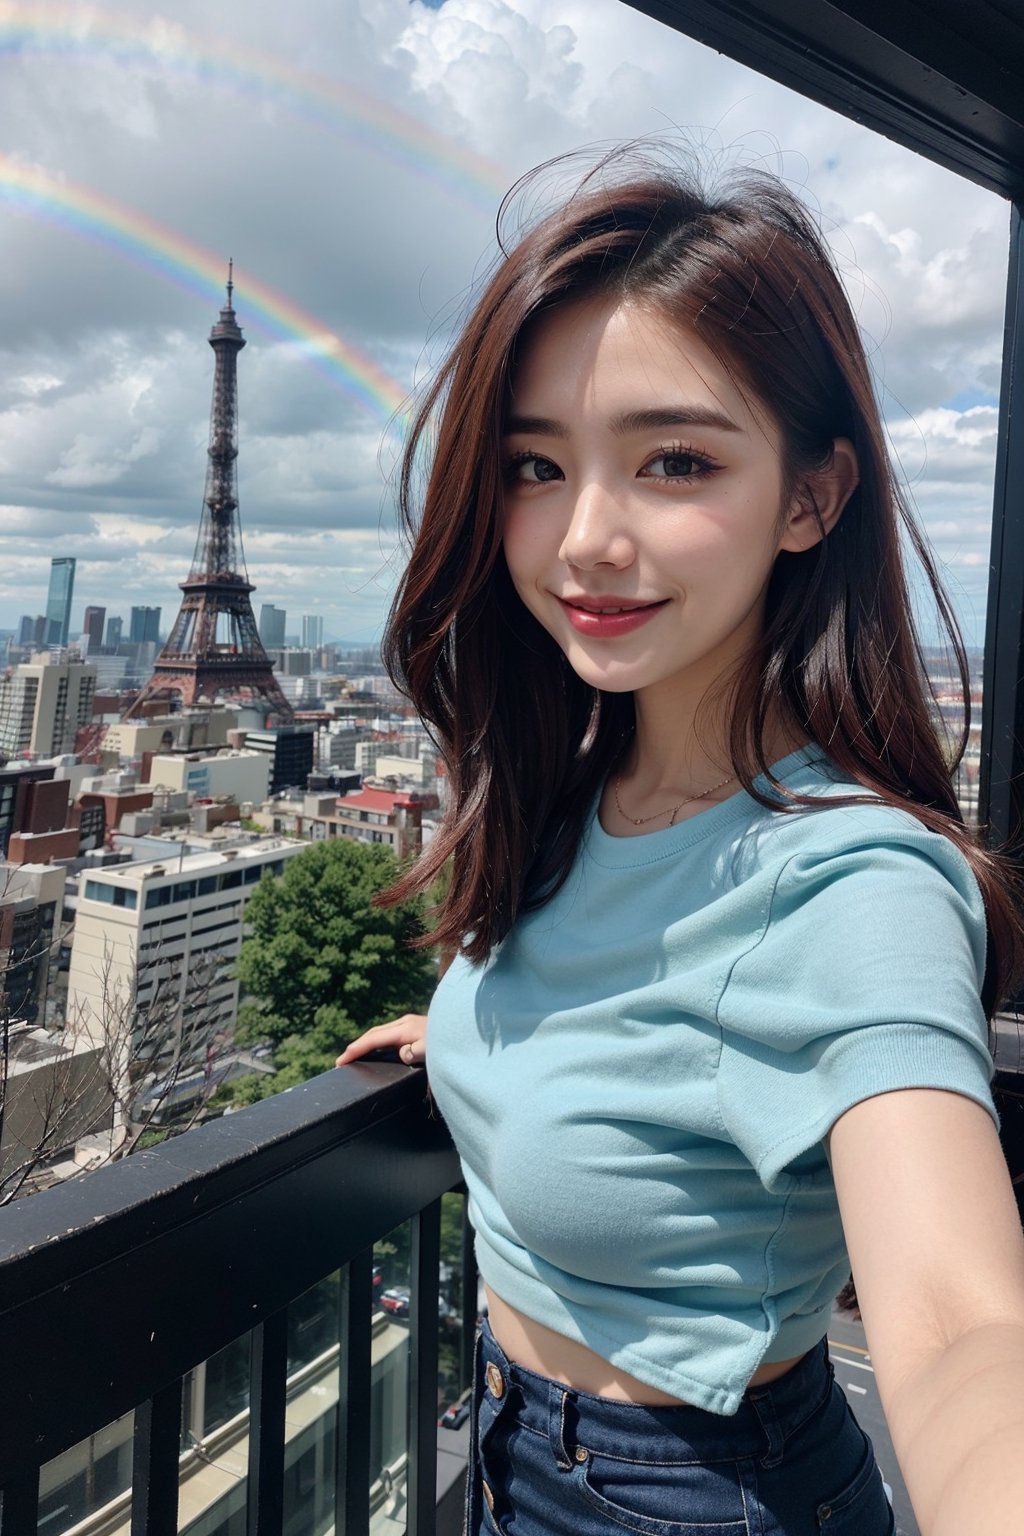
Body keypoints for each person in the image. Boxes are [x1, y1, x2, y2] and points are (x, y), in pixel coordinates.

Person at [337, 148, 1024, 1536]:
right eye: (536, 465)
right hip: (514, 1449)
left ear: (811, 498)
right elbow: (675, 1031)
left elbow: (959, 1328)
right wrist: (486, 1026)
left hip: (695, 1498)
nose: (586, 537)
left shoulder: (852, 884)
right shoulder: (586, 794)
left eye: (675, 461)